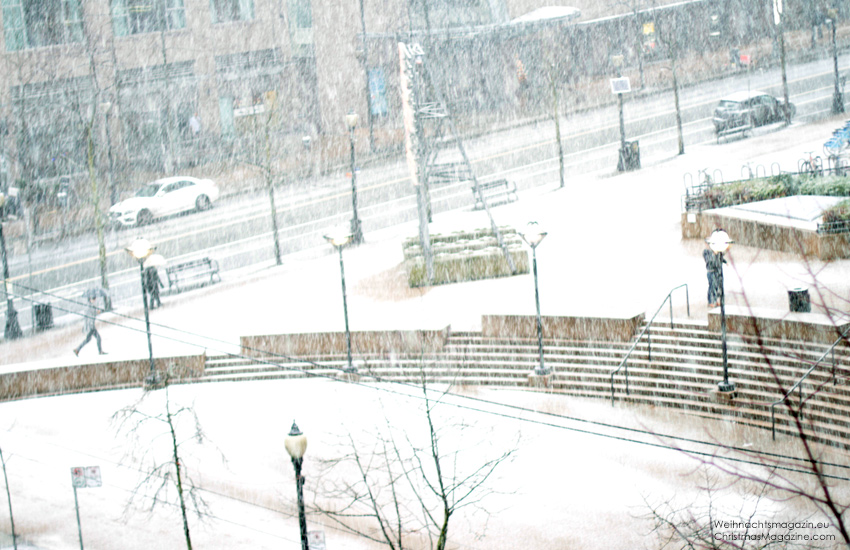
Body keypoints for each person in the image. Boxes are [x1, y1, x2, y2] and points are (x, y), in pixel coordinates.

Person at [702, 241, 726, 308]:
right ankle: (710, 301)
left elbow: (720, 258)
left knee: (717, 286)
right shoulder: (706, 252)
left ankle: (715, 300)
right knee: (711, 286)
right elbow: (709, 261)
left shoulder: (716, 250)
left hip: (717, 271)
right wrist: (714, 254)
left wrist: (724, 261)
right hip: (711, 271)